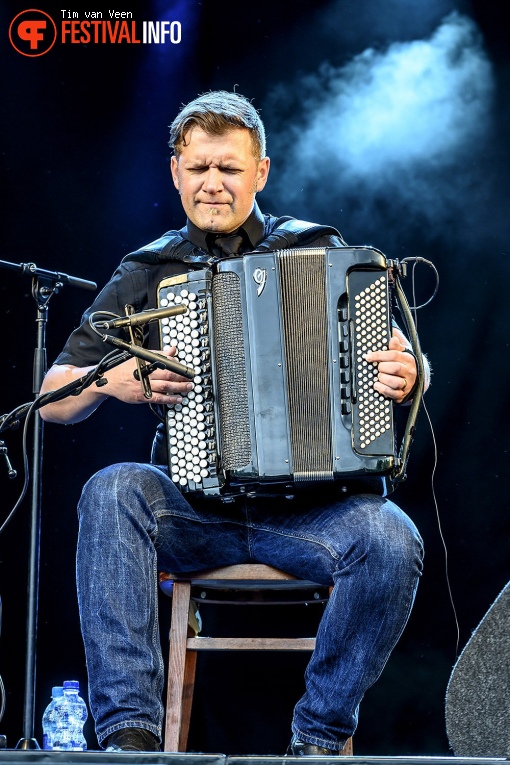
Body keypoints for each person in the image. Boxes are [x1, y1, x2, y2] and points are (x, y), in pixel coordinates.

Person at [40, 91, 428, 754]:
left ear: (261, 173)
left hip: (314, 516)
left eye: (228, 168)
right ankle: (131, 737)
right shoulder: (147, 269)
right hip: (197, 513)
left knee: (392, 539)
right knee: (111, 489)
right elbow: (52, 396)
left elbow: (401, 354)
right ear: (175, 172)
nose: (213, 184)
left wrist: (409, 370)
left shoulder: (319, 249)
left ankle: (316, 736)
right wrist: (114, 379)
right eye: (199, 169)